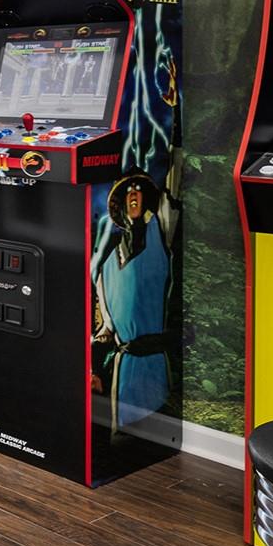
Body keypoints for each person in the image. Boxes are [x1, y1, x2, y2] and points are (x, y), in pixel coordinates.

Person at [91, 172, 174, 428]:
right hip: (125, 370)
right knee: (127, 434)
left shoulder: (161, 235)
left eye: (138, 189)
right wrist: (93, 369)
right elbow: (105, 331)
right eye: (128, 192)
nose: (133, 194)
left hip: (157, 362)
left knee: (157, 429)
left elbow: (174, 192)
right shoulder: (106, 268)